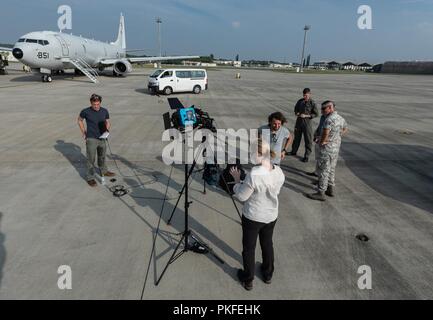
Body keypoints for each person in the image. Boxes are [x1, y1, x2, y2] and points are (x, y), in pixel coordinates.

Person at [230, 138, 285, 290]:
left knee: (249, 248)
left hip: (253, 217)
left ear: (259, 153)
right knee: (267, 243)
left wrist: (236, 181)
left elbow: (242, 196)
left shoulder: (254, 174)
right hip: (271, 215)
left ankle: (248, 279)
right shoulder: (279, 172)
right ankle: (268, 274)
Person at [307, 101, 348, 201]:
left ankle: (321, 192)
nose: (322, 111)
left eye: (324, 108)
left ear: (330, 108)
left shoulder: (329, 120)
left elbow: (325, 132)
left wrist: (322, 141)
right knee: (331, 168)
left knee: (323, 170)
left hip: (326, 149)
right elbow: (345, 128)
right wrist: (336, 137)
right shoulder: (340, 118)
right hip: (335, 149)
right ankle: (330, 188)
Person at [77, 94, 115, 187]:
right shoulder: (85, 111)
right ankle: (90, 178)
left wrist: (107, 130)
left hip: (102, 138)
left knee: (102, 156)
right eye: (94, 104)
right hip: (91, 138)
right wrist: (83, 131)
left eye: (98, 104)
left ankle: (104, 171)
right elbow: (79, 120)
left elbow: (107, 122)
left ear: (100, 103)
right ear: (91, 103)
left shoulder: (104, 111)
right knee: (91, 159)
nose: (96, 106)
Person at [290, 88, 319, 162]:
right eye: (304, 95)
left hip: (307, 123)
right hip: (299, 122)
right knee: (296, 138)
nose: (304, 97)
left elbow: (316, 114)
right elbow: (295, 109)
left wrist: (306, 116)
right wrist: (297, 113)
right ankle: (293, 151)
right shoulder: (300, 101)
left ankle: (306, 156)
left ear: (309, 94)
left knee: (308, 140)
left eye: (306, 95)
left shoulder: (312, 103)